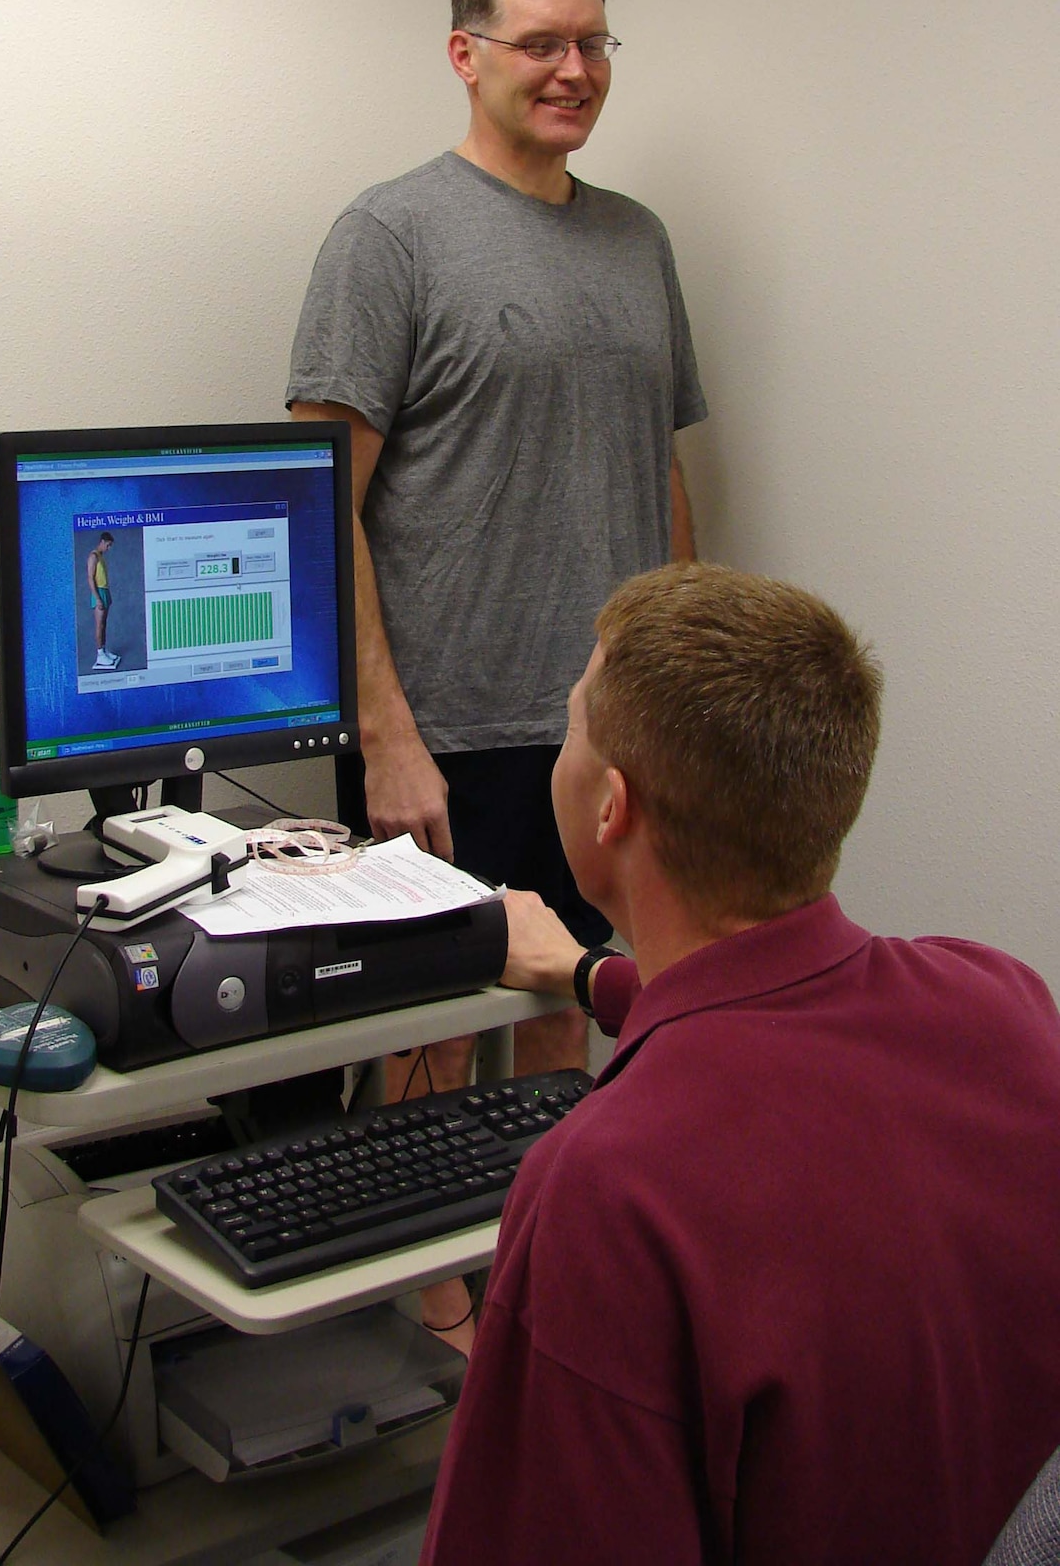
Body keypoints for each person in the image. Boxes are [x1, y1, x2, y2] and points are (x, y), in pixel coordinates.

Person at [420, 563, 1060, 1566]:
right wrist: (589, 972)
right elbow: (787, 1029)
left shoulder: (605, 1188)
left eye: (572, 717)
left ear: (610, 808)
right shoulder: (1004, 1005)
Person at [288, 0, 706, 1335]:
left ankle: (531, 1289)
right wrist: (383, 736)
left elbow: (658, 470)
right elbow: (316, 505)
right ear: (467, 54)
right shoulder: (388, 236)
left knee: (558, 1012)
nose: (572, 70)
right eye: (540, 44)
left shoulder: (636, 239)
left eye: (591, 43)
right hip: (450, 728)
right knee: (419, 1034)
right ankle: (428, 1317)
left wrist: (682, 684)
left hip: (610, 730)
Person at [86, 531, 119, 671]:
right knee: (99, 625)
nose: (109, 548)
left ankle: (104, 651)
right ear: (103, 542)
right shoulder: (93, 556)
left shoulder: (101, 556)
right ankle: (99, 654)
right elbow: (90, 578)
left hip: (104, 590)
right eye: (108, 545)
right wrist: (98, 598)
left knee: (104, 624)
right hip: (98, 592)